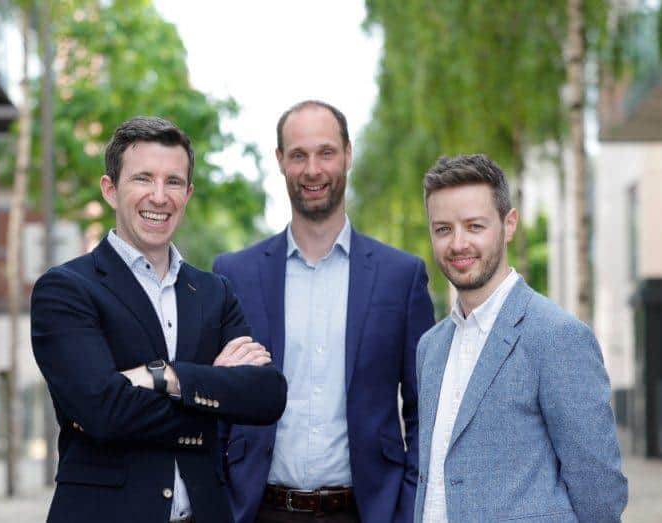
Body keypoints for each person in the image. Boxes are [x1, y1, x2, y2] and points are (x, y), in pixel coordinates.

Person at [31, 116, 287, 523]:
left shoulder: (213, 292)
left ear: (187, 194)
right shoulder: (66, 289)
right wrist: (213, 393)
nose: (159, 196)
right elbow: (103, 411)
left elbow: (267, 395)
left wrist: (164, 377)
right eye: (143, 179)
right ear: (110, 190)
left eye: (173, 182)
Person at [213, 100, 435, 523]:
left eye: (326, 153)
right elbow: (218, 399)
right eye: (298, 155)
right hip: (258, 511)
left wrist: (406, 510)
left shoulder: (401, 277)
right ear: (280, 161)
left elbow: (424, 410)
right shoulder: (233, 275)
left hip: (366, 512)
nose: (312, 169)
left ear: (348, 155)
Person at [414, 154, 628, 522]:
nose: (458, 243)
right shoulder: (430, 348)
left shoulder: (557, 337)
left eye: (475, 226)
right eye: (443, 229)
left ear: (508, 224)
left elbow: (599, 490)